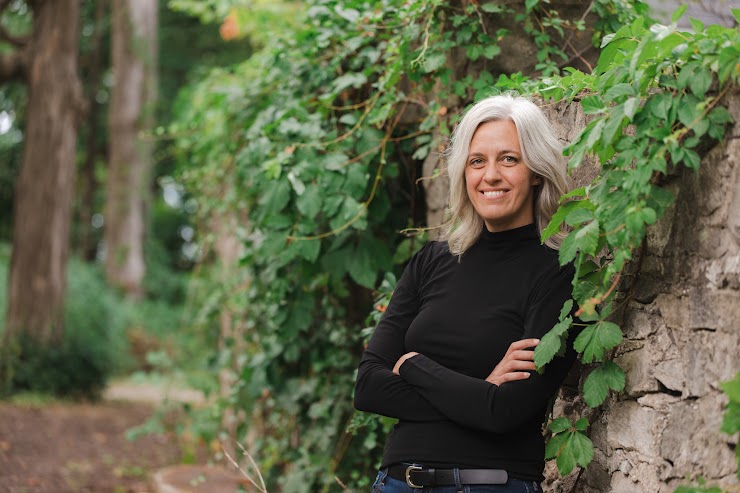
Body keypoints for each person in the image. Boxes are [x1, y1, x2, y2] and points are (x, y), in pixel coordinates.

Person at [354, 94, 578, 493]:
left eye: (508, 159)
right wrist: (482, 388)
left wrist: (413, 365)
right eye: (477, 161)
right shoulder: (432, 261)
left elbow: (504, 411)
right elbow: (369, 386)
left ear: (537, 173)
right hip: (397, 483)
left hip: (491, 484)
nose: (490, 175)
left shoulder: (557, 273)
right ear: (464, 173)